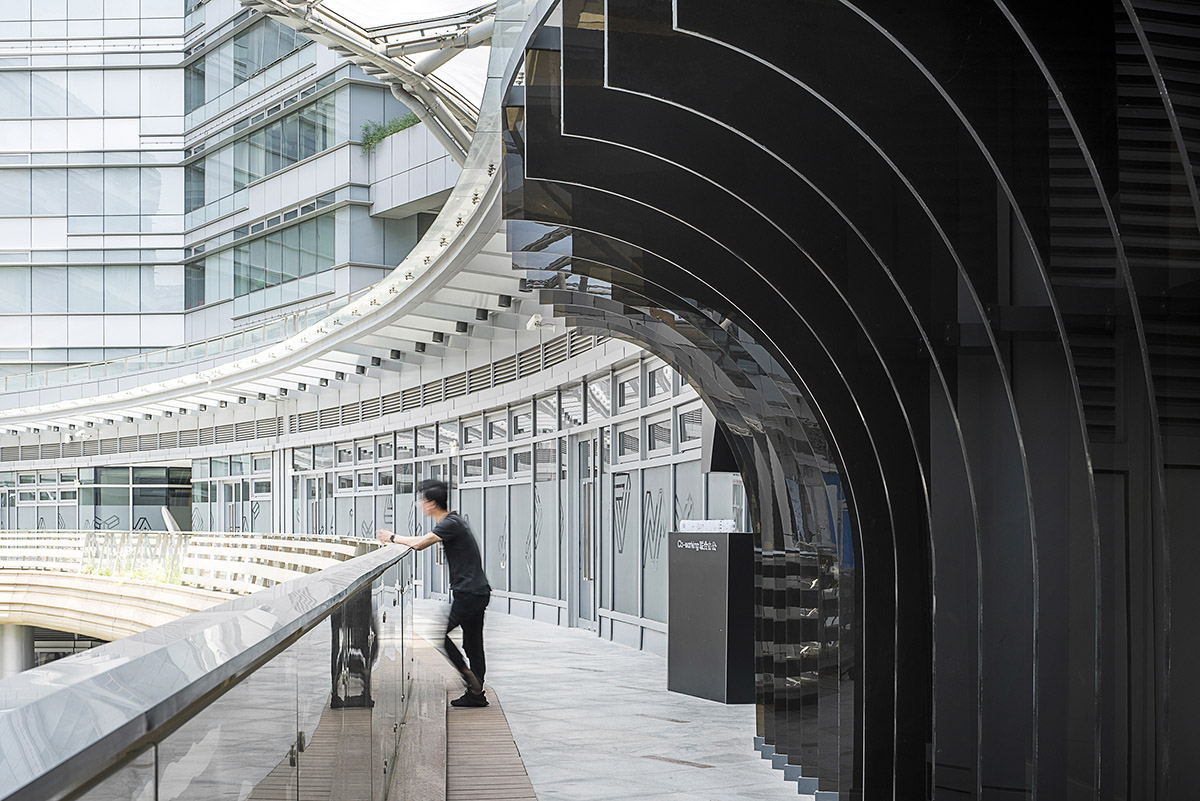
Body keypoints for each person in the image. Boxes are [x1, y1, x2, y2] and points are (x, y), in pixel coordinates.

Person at [377, 479, 491, 707]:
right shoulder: (453, 521)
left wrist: (392, 538)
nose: (420, 505)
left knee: (444, 637)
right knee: (472, 642)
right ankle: (476, 693)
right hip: (475, 591)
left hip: (469, 592)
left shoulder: (451, 524)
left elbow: (419, 543)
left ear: (431, 504)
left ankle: (473, 683)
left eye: (422, 501)